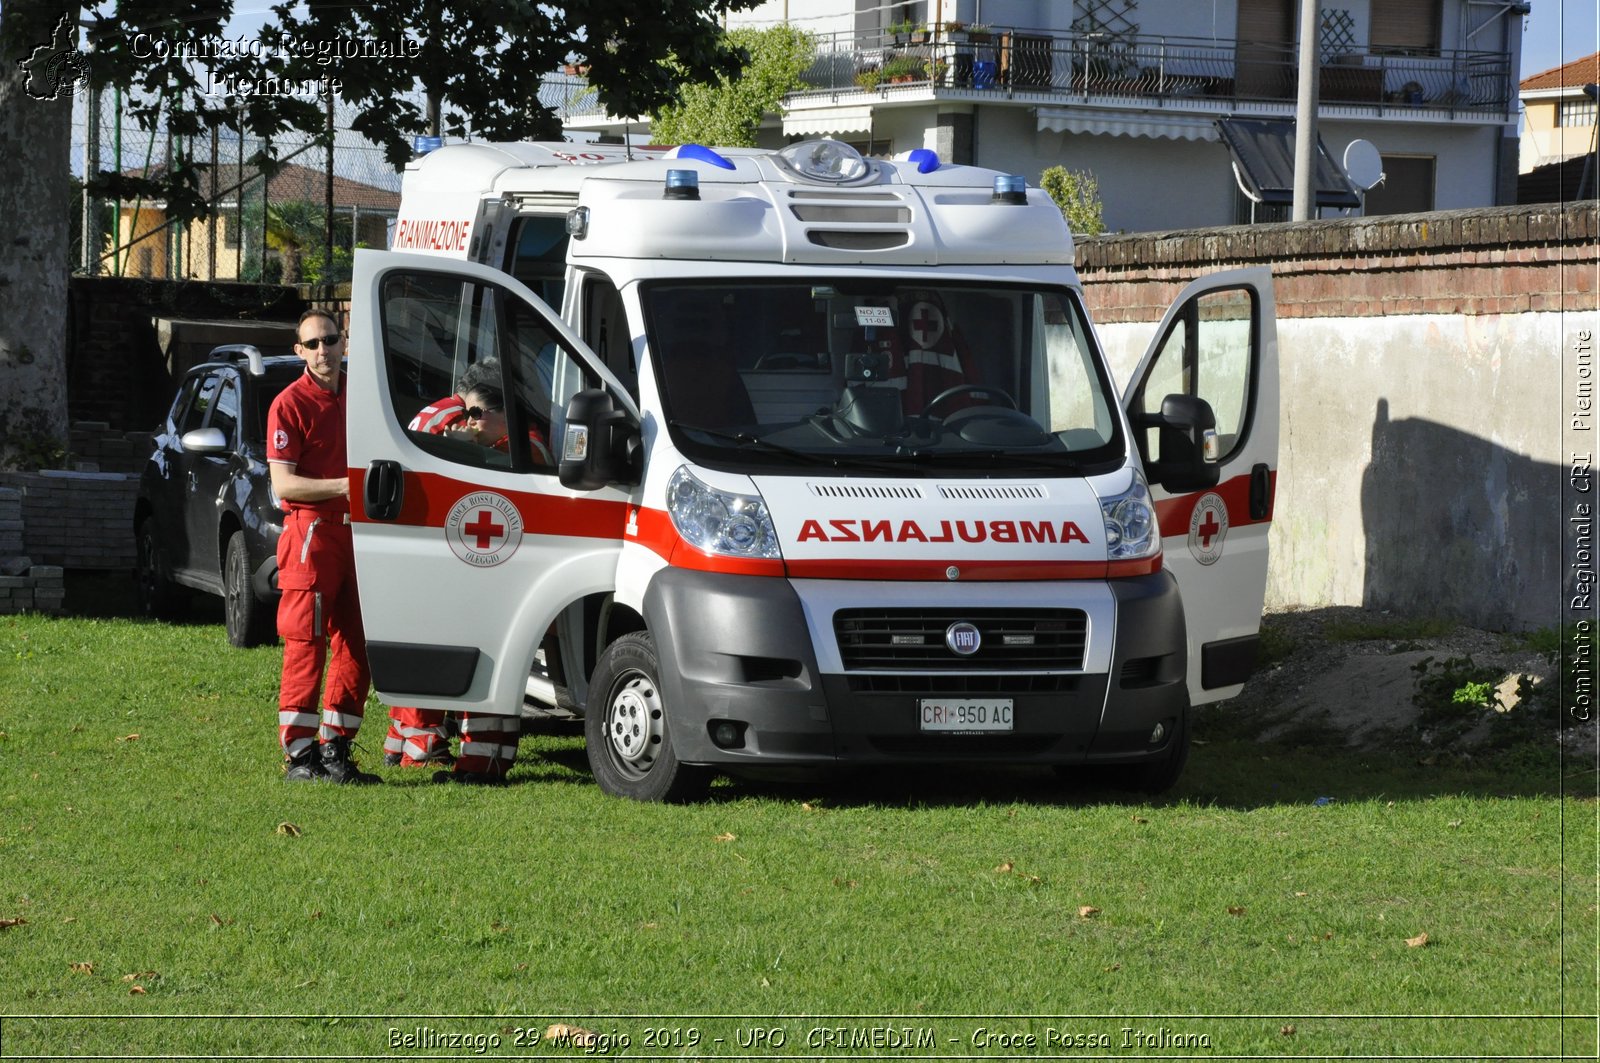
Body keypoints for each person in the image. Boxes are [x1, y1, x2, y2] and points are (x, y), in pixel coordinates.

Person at [266, 307, 379, 784]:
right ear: (299, 351)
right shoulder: (289, 404)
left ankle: (336, 749)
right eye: (311, 344)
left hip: (363, 534)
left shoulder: (366, 395)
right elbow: (284, 485)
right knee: (306, 642)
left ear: (344, 341)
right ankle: (299, 756)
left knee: (359, 642)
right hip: (312, 533)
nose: (322, 351)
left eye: (329, 340)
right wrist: (344, 486)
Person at [381, 359, 505, 768]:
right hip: (440, 543)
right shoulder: (453, 420)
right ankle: (424, 744)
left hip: (416, 540)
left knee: (417, 638)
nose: (470, 422)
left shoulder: (439, 410)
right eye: (473, 412)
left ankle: (401, 739)